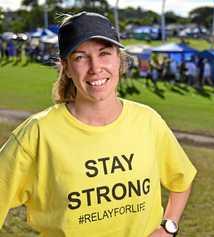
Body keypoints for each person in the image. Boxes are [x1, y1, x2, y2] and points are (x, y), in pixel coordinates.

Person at [0, 12, 196, 237]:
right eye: (80, 57)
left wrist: (168, 227)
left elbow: (182, 180)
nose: (95, 67)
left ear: (119, 60)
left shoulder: (148, 121)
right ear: (66, 68)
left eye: (104, 53)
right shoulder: (37, 133)